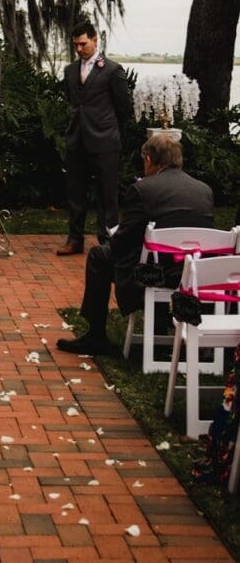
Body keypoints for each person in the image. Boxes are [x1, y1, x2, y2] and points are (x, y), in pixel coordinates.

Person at [56, 133, 214, 356]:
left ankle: (96, 336)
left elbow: (121, 243)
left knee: (99, 256)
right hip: (192, 276)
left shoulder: (143, 190)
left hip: (154, 275)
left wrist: (114, 237)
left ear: (149, 160)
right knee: (141, 255)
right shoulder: (204, 191)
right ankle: (160, 328)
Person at [58, 20, 132, 256]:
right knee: (75, 193)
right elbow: (73, 101)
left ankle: (107, 239)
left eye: (83, 44)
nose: (79, 49)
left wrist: (111, 132)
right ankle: (75, 239)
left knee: (107, 195)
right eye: (75, 45)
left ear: (95, 40)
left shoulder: (112, 70)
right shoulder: (70, 70)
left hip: (105, 141)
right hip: (76, 140)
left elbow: (124, 108)